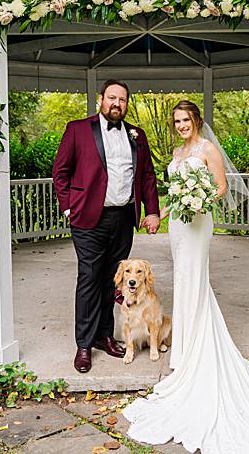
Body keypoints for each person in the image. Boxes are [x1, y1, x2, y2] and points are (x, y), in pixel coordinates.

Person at [122, 100, 249, 453]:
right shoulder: (178, 152)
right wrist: (166, 211)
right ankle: (183, 353)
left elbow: (220, 186)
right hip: (179, 224)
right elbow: (175, 190)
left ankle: (197, 354)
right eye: (177, 121)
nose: (181, 125)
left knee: (195, 281)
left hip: (199, 222)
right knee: (183, 283)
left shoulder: (207, 149)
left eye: (185, 120)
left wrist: (199, 200)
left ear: (196, 120)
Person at [52, 79, 162, 373]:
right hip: (88, 217)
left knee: (113, 280)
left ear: (127, 104)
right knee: (89, 277)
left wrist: (152, 210)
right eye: (112, 98)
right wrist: (68, 207)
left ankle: (104, 336)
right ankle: (84, 344)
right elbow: (60, 172)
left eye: (122, 100)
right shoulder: (77, 129)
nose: (117, 104)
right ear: (101, 99)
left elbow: (147, 175)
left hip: (123, 217)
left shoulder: (137, 135)